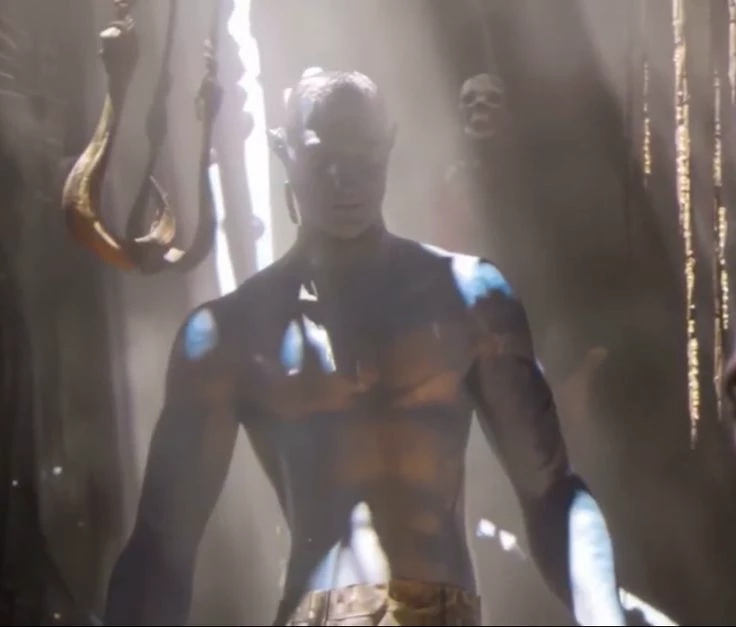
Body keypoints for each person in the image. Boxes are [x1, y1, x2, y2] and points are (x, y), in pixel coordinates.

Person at [103, 69, 625, 626]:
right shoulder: (228, 335)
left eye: (364, 157)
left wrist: (605, 616)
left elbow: (552, 494)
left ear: (388, 148)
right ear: (283, 152)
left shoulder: (472, 300)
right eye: (322, 157)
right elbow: (161, 545)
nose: (344, 179)